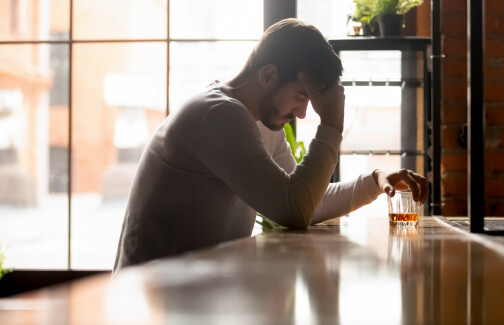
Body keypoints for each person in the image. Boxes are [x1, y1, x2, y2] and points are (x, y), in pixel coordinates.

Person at [113, 18, 428, 273]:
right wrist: (331, 123)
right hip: (148, 301)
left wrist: (375, 181)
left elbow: (308, 203)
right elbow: (293, 209)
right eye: (302, 96)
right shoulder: (217, 113)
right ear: (268, 75)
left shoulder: (263, 124)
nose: (303, 113)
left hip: (194, 296)